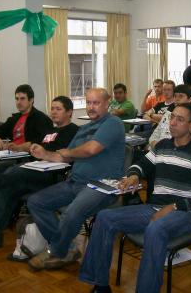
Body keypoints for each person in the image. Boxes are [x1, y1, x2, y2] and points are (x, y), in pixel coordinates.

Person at [79, 103, 191, 293]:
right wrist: (134, 175)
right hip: (154, 208)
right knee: (104, 218)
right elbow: (141, 165)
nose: (173, 123)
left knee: (156, 228)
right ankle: (100, 285)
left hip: (188, 213)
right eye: (172, 117)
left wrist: (174, 207)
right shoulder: (163, 145)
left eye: (180, 119)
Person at [26, 88, 125, 271]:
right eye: (88, 103)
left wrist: (67, 152)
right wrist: (44, 153)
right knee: (35, 201)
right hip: (76, 182)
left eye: (96, 103)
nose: (91, 107)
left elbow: (90, 150)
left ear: (107, 104)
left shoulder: (113, 123)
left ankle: (55, 250)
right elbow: (63, 157)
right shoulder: (84, 129)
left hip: (102, 186)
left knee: (72, 213)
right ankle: (69, 248)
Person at [0, 96, 79, 255]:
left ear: (69, 112)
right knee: (6, 190)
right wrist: (32, 148)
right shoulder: (50, 131)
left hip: (54, 177)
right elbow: (40, 148)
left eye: (58, 109)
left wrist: (45, 154)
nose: (53, 112)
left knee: (16, 170)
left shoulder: (74, 131)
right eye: (52, 108)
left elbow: (66, 156)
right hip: (36, 172)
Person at [149, 84, 191, 149]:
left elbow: (184, 143)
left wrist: (163, 150)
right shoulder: (168, 114)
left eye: (181, 96)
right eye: (175, 96)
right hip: (157, 150)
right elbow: (153, 136)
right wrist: (157, 147)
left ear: (190, 99)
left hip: (175, 153)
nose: (177, 99)